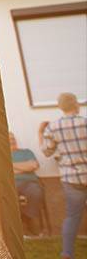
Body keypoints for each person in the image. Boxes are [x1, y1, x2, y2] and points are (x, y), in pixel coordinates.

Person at [41, 92, 87, 258]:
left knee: (72, 217)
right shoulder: (85, 123)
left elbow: (47, 151)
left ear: (60, 107)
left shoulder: (52, 127)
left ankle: (67, 253)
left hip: (70, 177)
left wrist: (41, 134)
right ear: (76, 105)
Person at [11, 131, 46, 236]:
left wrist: (12, 165)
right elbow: (3, 170)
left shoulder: (26, 152)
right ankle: (19, 225)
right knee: (9, 196)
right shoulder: (2, 154)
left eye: (13, 138)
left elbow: (34, 165)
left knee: (36, 192)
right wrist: (25, 167)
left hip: (30, 182)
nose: (12, 140)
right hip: (12, 183)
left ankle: (27, 218)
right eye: (9, 139)